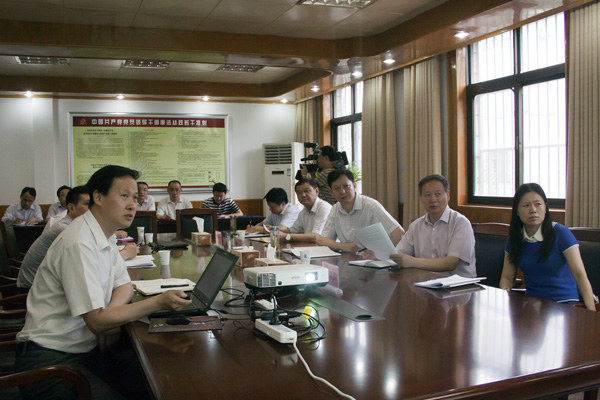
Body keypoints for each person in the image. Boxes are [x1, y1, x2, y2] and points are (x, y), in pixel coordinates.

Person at [15, 165, 191, 399]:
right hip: (48, 359)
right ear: (98, 197)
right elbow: (97, 321)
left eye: (135, 198)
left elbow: (124, 285)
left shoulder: (104, 235)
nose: (133, 205)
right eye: (124, 196)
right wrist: (158, 302)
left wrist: (110, 315)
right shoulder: (80, 242)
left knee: (156, 378)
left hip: (83, 350)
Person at [499, 183, 596, 311]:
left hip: (564, 305)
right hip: (533, 307)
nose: (533, 210)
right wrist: (505, 297)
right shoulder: (515, 238)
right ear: (517, 211)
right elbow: (506, 277)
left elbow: (580, 275)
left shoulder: (561, 233)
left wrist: (592, 313)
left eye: (538, 204)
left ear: (545, 207)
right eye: (526, 205)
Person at [390, 174, 476, 278]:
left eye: (438, 194)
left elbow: (451, 263)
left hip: (459, 285)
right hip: (425, 283)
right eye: (427, 195)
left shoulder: (460, 223)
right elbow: (399, 254)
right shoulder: (416, 225)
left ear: (447, 196)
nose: (433, 199)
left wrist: (413, 262)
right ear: (421, 198)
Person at [17, 186, 90, 291]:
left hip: (43, 282)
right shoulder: (64, 229)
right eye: (87, 204)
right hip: (32, 288)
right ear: (71, 207)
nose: (92, 208)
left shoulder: (69, 225)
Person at [318, 169, 404, 252]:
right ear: (331, 192)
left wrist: (382, 255)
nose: (342, 191)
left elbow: (398, 232)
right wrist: (342, 246)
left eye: (346, 186)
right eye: (337, 188)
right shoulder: (335, 209)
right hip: (349, 258)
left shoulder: (370, 206)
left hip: (371, 259)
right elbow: (323, 240)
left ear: (354, 186)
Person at [279, 178, 332, 243]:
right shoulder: (303, 212)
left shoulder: (324, 208)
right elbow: (292, 231)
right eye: (299, 192)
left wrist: (286, 236)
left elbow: (316, 237)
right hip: (311, 247)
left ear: (317, 191)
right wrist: (274, 231)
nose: (303, 195)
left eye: (307, 191)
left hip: (326, 248)